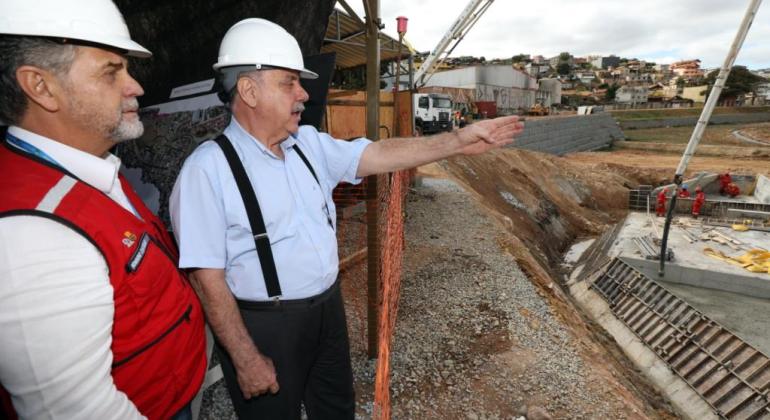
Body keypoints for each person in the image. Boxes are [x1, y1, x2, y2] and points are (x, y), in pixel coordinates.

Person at [170, 18, 523, 420]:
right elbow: (206, 278)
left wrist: (457, 142)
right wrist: (245, 357)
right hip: (267, 327)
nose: (303, 93)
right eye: (289, 82)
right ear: (249, 90)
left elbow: (379, 154)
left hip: (327, 312)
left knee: (337, 409)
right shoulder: (206, 171)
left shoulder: (308, 145)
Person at [0, 1, 206, 419]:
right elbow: (78, 411)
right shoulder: (31, 234)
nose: (136, 87)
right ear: (40, 86)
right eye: (111, 71)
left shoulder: (86, 164)